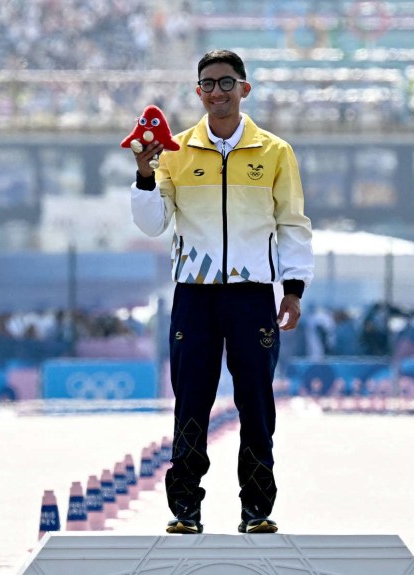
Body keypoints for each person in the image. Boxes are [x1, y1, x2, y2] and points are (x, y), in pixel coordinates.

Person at [129, 49, 314, 535]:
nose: (217, 92)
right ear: (198, 92)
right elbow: (152, 225)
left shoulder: (275, 151)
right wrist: (145, 175)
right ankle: (184, 509)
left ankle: (257, 509)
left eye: (226, 82)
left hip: (253, 295)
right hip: (195, 293)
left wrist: (292, 290)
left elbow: (293, 223)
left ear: (244, 89)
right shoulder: (176, 150)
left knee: (256, 401)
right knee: (191, 399)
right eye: (208, 84)